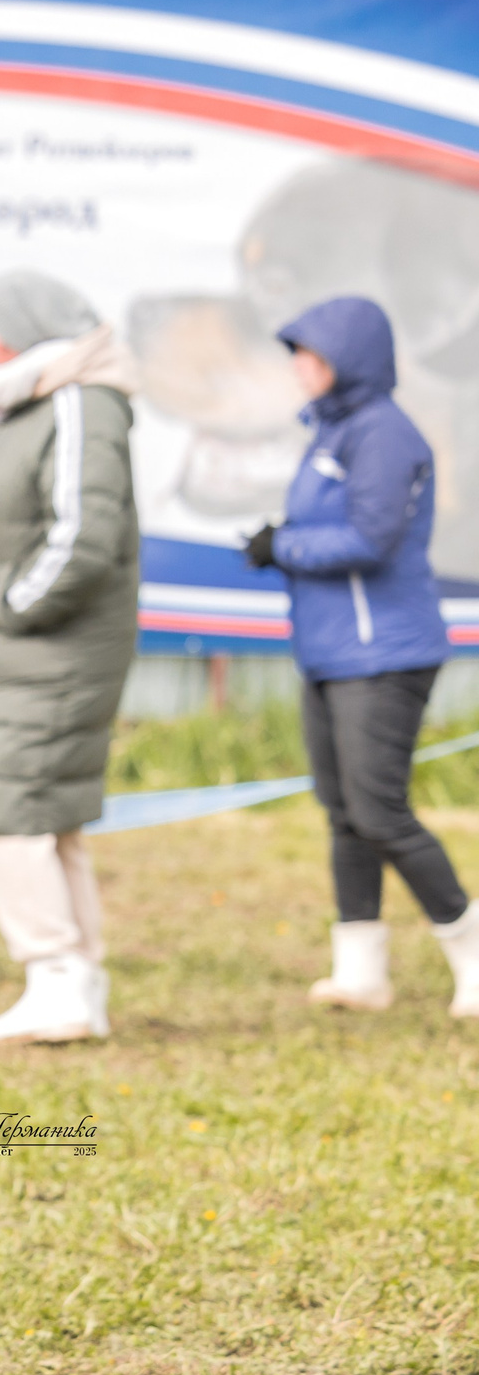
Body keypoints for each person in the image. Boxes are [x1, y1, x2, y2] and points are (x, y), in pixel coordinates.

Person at [0, 272, 137, 1047]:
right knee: (47, 817)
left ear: (29, 328)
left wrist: (14, 610)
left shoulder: (80, 401)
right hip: (27, 651)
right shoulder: (39, 400)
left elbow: (83, 533)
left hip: (52, 647)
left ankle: (54, 975)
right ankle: (76, 983)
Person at [247, 296, 478, 1015]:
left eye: (312, 357)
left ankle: (471, 951)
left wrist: (279, 545)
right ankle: (361, 971)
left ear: (348, 360)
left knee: (380, 812)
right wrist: (282, 537)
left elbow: (371, 539)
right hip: (331, 652)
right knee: (344, 811)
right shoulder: (330, 432)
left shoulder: (382, 434)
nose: (300, 371)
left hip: (384, 653)